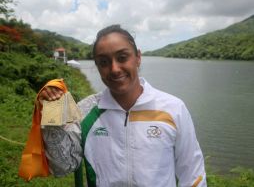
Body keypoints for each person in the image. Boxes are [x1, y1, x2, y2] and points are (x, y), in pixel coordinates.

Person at [39, 24, 207, 187]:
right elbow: (63, 167)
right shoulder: (85, 110)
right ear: (97, 66)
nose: (114, 69)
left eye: (122, 58)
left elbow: (192, 173)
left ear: (138, 57)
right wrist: (52, 113)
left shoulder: (173, 109)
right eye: (104, 62)